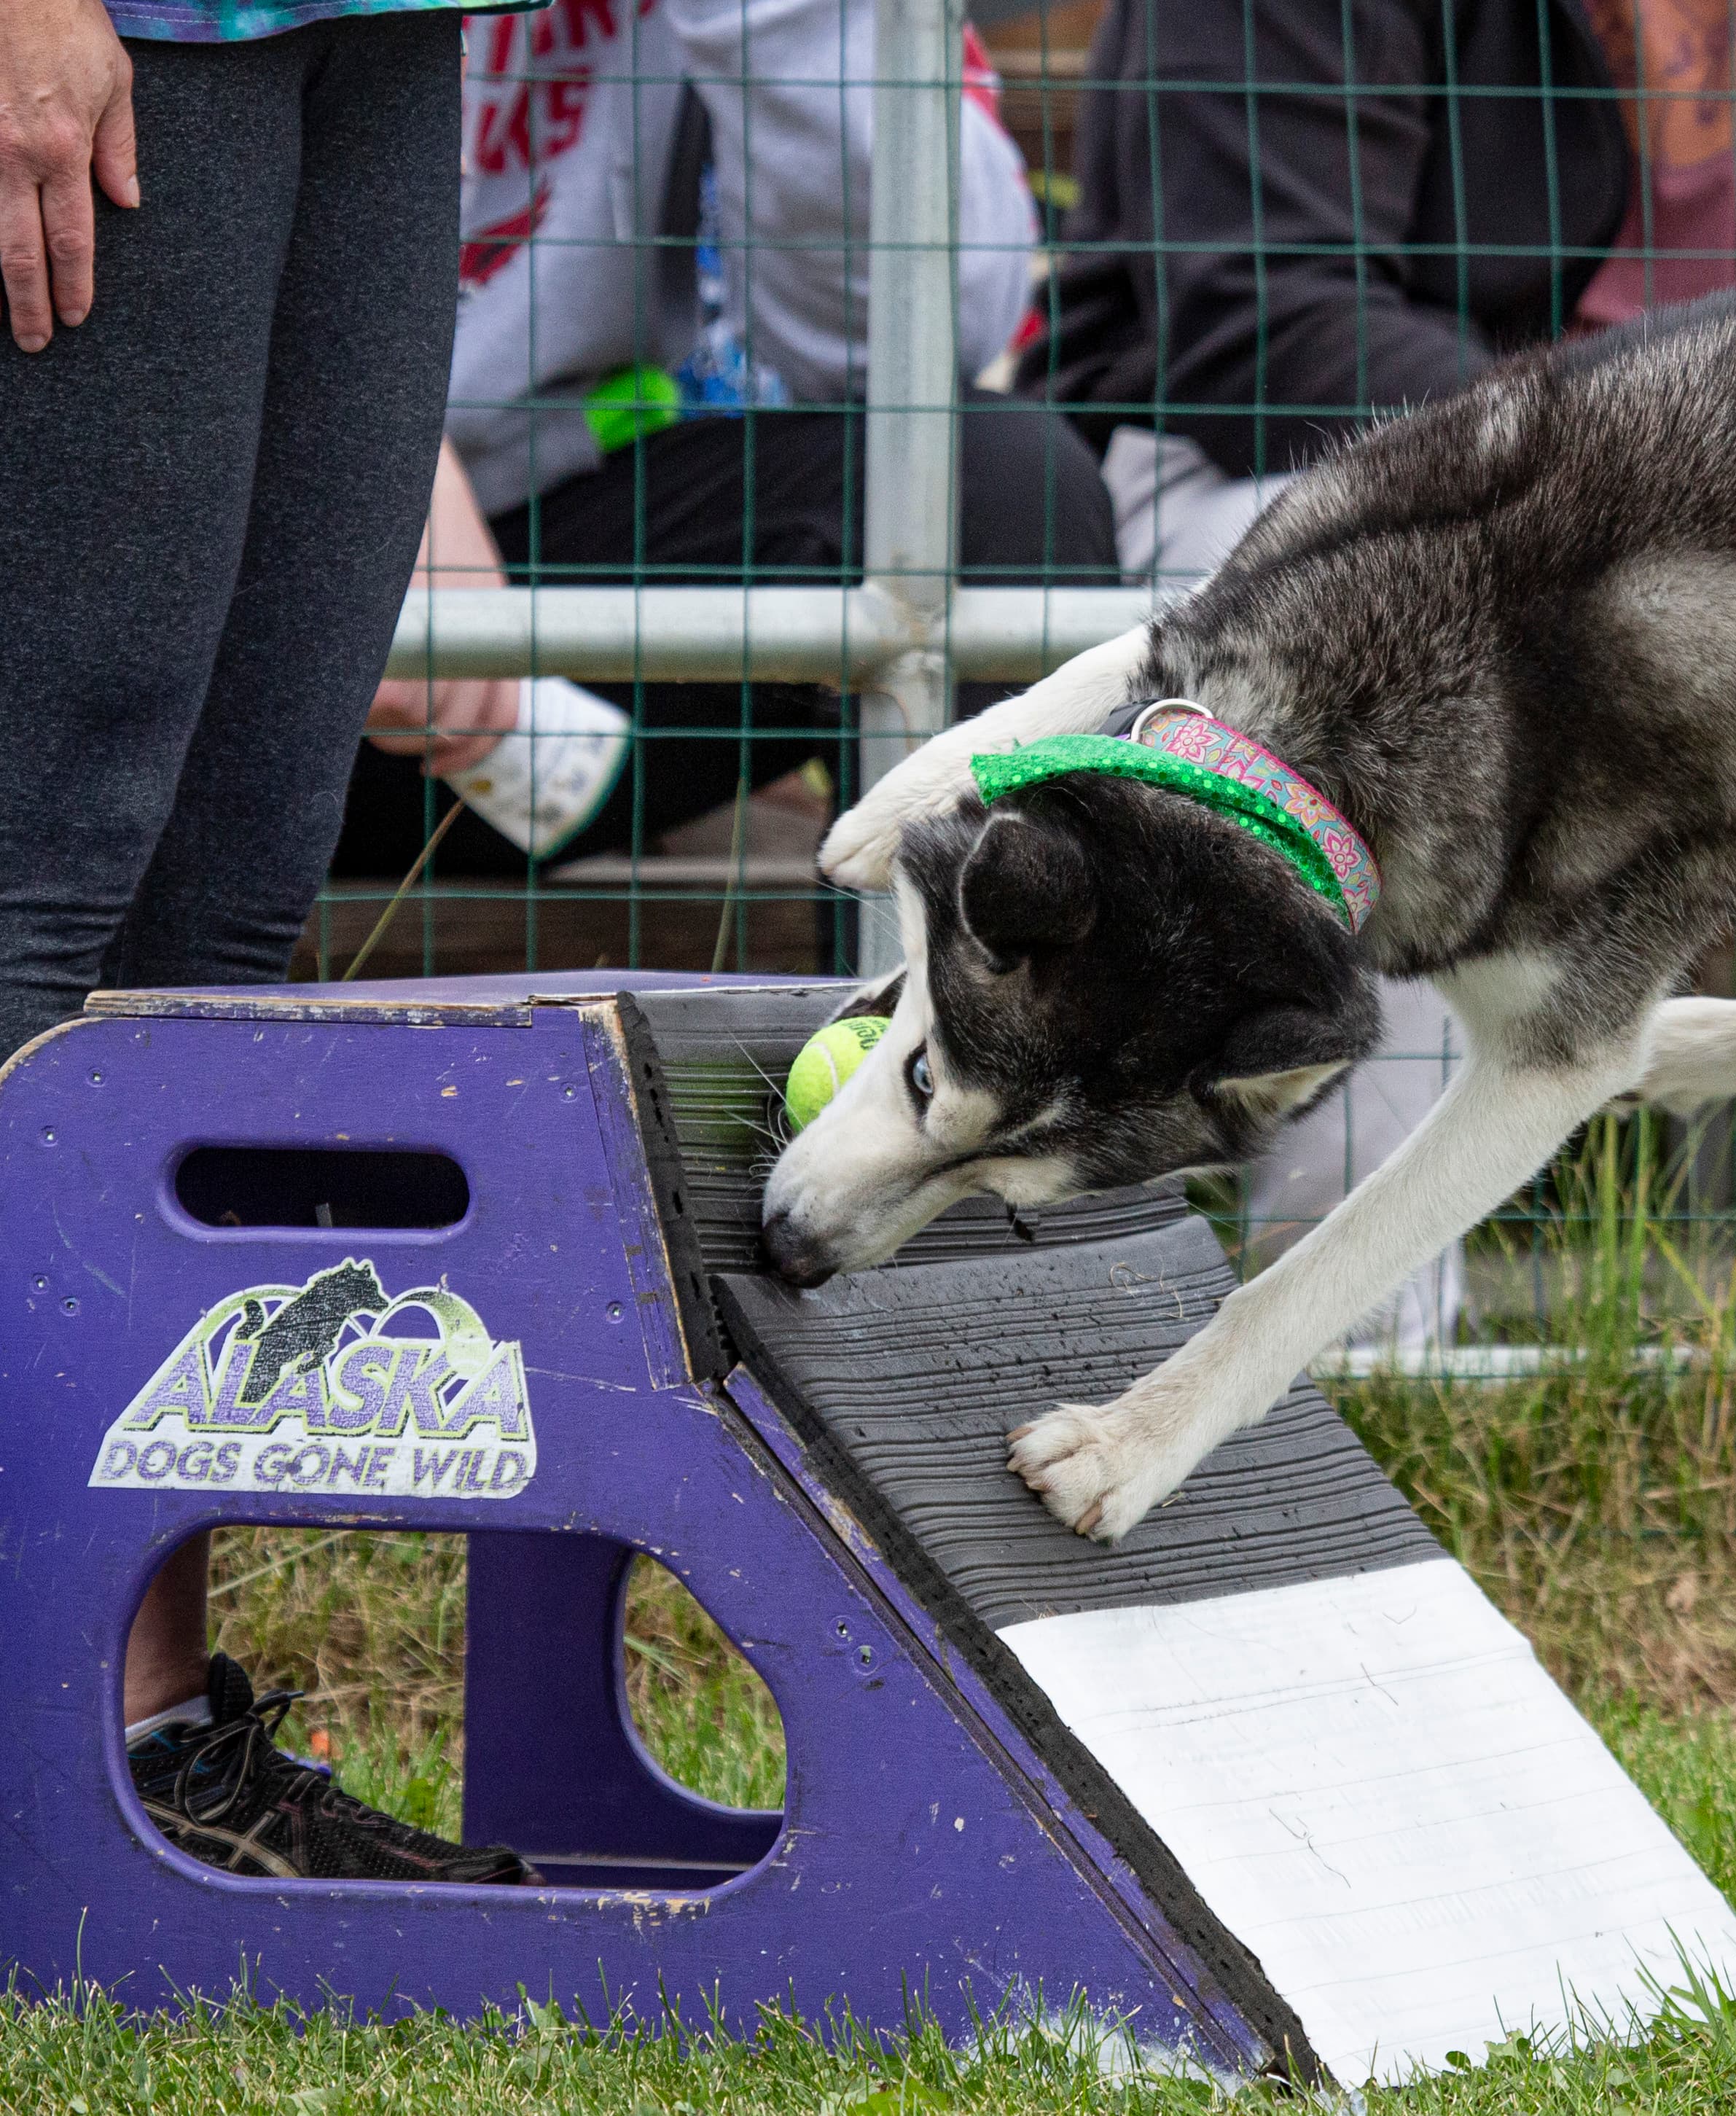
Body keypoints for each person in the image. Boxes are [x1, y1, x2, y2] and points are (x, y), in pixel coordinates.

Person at [1040, 0, 1736, 1338]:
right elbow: (1265, 319)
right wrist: (1641, 498)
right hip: (1311, 481)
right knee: (1392, 676)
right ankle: (1356, 1374)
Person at [0, 0, 530, 1875]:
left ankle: (145, 1760)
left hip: (376, 25)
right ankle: (50, 1754)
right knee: (40, 886)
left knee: (219, 924)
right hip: (128, 27)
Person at [353, 1, 1122, 880]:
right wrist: (375, 451)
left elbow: (923, 337)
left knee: (992, 488)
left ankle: (928, 1007)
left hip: (530, 645)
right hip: (238, 590)